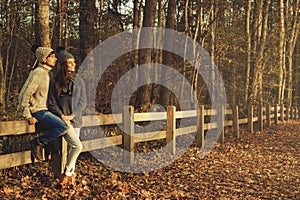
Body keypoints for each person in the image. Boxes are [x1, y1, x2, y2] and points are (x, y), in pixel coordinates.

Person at [18, 45, 69, 162]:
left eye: (55, 57)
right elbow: (24, 95)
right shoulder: (38, 73)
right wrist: (28, 115)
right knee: (63, 126)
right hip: (38, 111)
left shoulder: (48, 73)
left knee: (63, 125)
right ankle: (37, 143)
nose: (55, 59)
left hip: (45, 110)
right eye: (51, 57)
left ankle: (49, 146)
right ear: (44, 59)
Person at [48, 47, 86, 186]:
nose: (73, 65)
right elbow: (51, 102)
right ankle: (66, 174)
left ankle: (69, 179)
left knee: (72, 150)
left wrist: (72, 115)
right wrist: (62, 116)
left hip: (76, 119)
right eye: (70, 63)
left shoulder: (79, 80)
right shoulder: (55, 81)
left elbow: (83, 102)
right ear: (64, 64)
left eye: (74, 62)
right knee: (77, 146)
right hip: (62, 121)